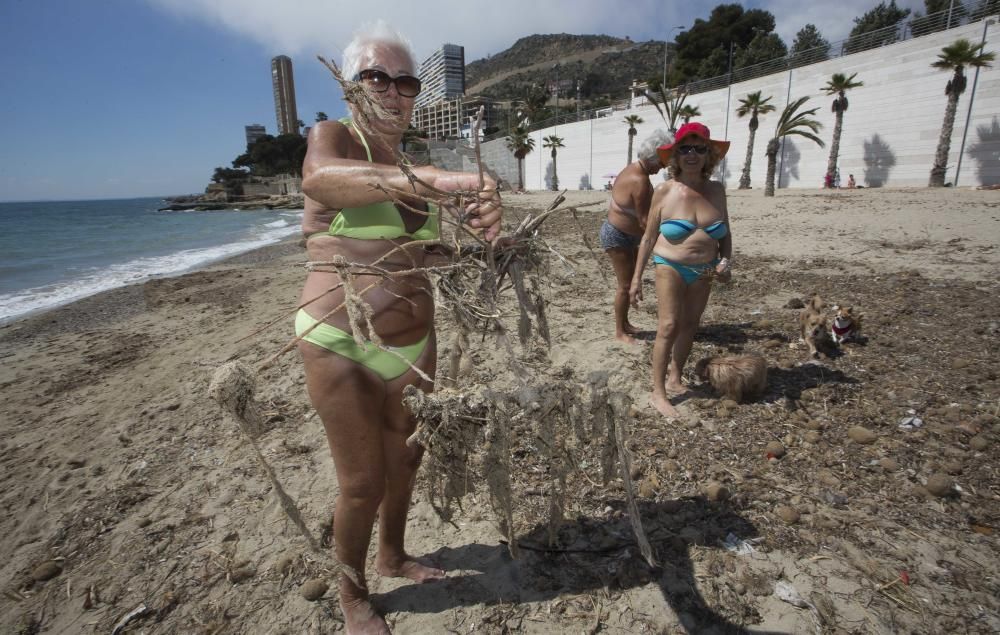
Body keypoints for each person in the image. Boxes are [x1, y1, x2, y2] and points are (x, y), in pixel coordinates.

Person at [297, 21, 502, 634]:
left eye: (406, 82)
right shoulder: (334, 139)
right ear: (349, 87)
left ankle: (393, 554)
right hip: (342, 342)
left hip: (414, 341)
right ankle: (352, 594)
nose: (392, 91)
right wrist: (441, 182)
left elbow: (421, 255)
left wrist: (490, 246)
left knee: (406, 460)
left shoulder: (413, 164)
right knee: (361, 483)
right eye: (376, 77)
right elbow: (319, 181)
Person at [629, 122, 732, 419]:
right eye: (684, 148)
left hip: (706, 269)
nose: (691, 154)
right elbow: (648, 237)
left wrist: (726, 261)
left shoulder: (716, 190)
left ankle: (675, 378)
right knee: (669, 326)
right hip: (669, 265)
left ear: (708, 154)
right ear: (675, 155)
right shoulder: (664, 191)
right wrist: (636, 279)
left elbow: (726, 232)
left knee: (691, 324)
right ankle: (658, 392)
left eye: (699, 148)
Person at [600, 129, 673, 344]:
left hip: (627, 235)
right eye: (661, 162)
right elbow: (643, 221)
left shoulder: (633, 169)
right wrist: (660, 241)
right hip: (617, 235)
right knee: (625, 285)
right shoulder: (639, 180)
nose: (662, 167)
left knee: (629, 281)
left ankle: (625, 323)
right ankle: (619, 331)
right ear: (652, 158)